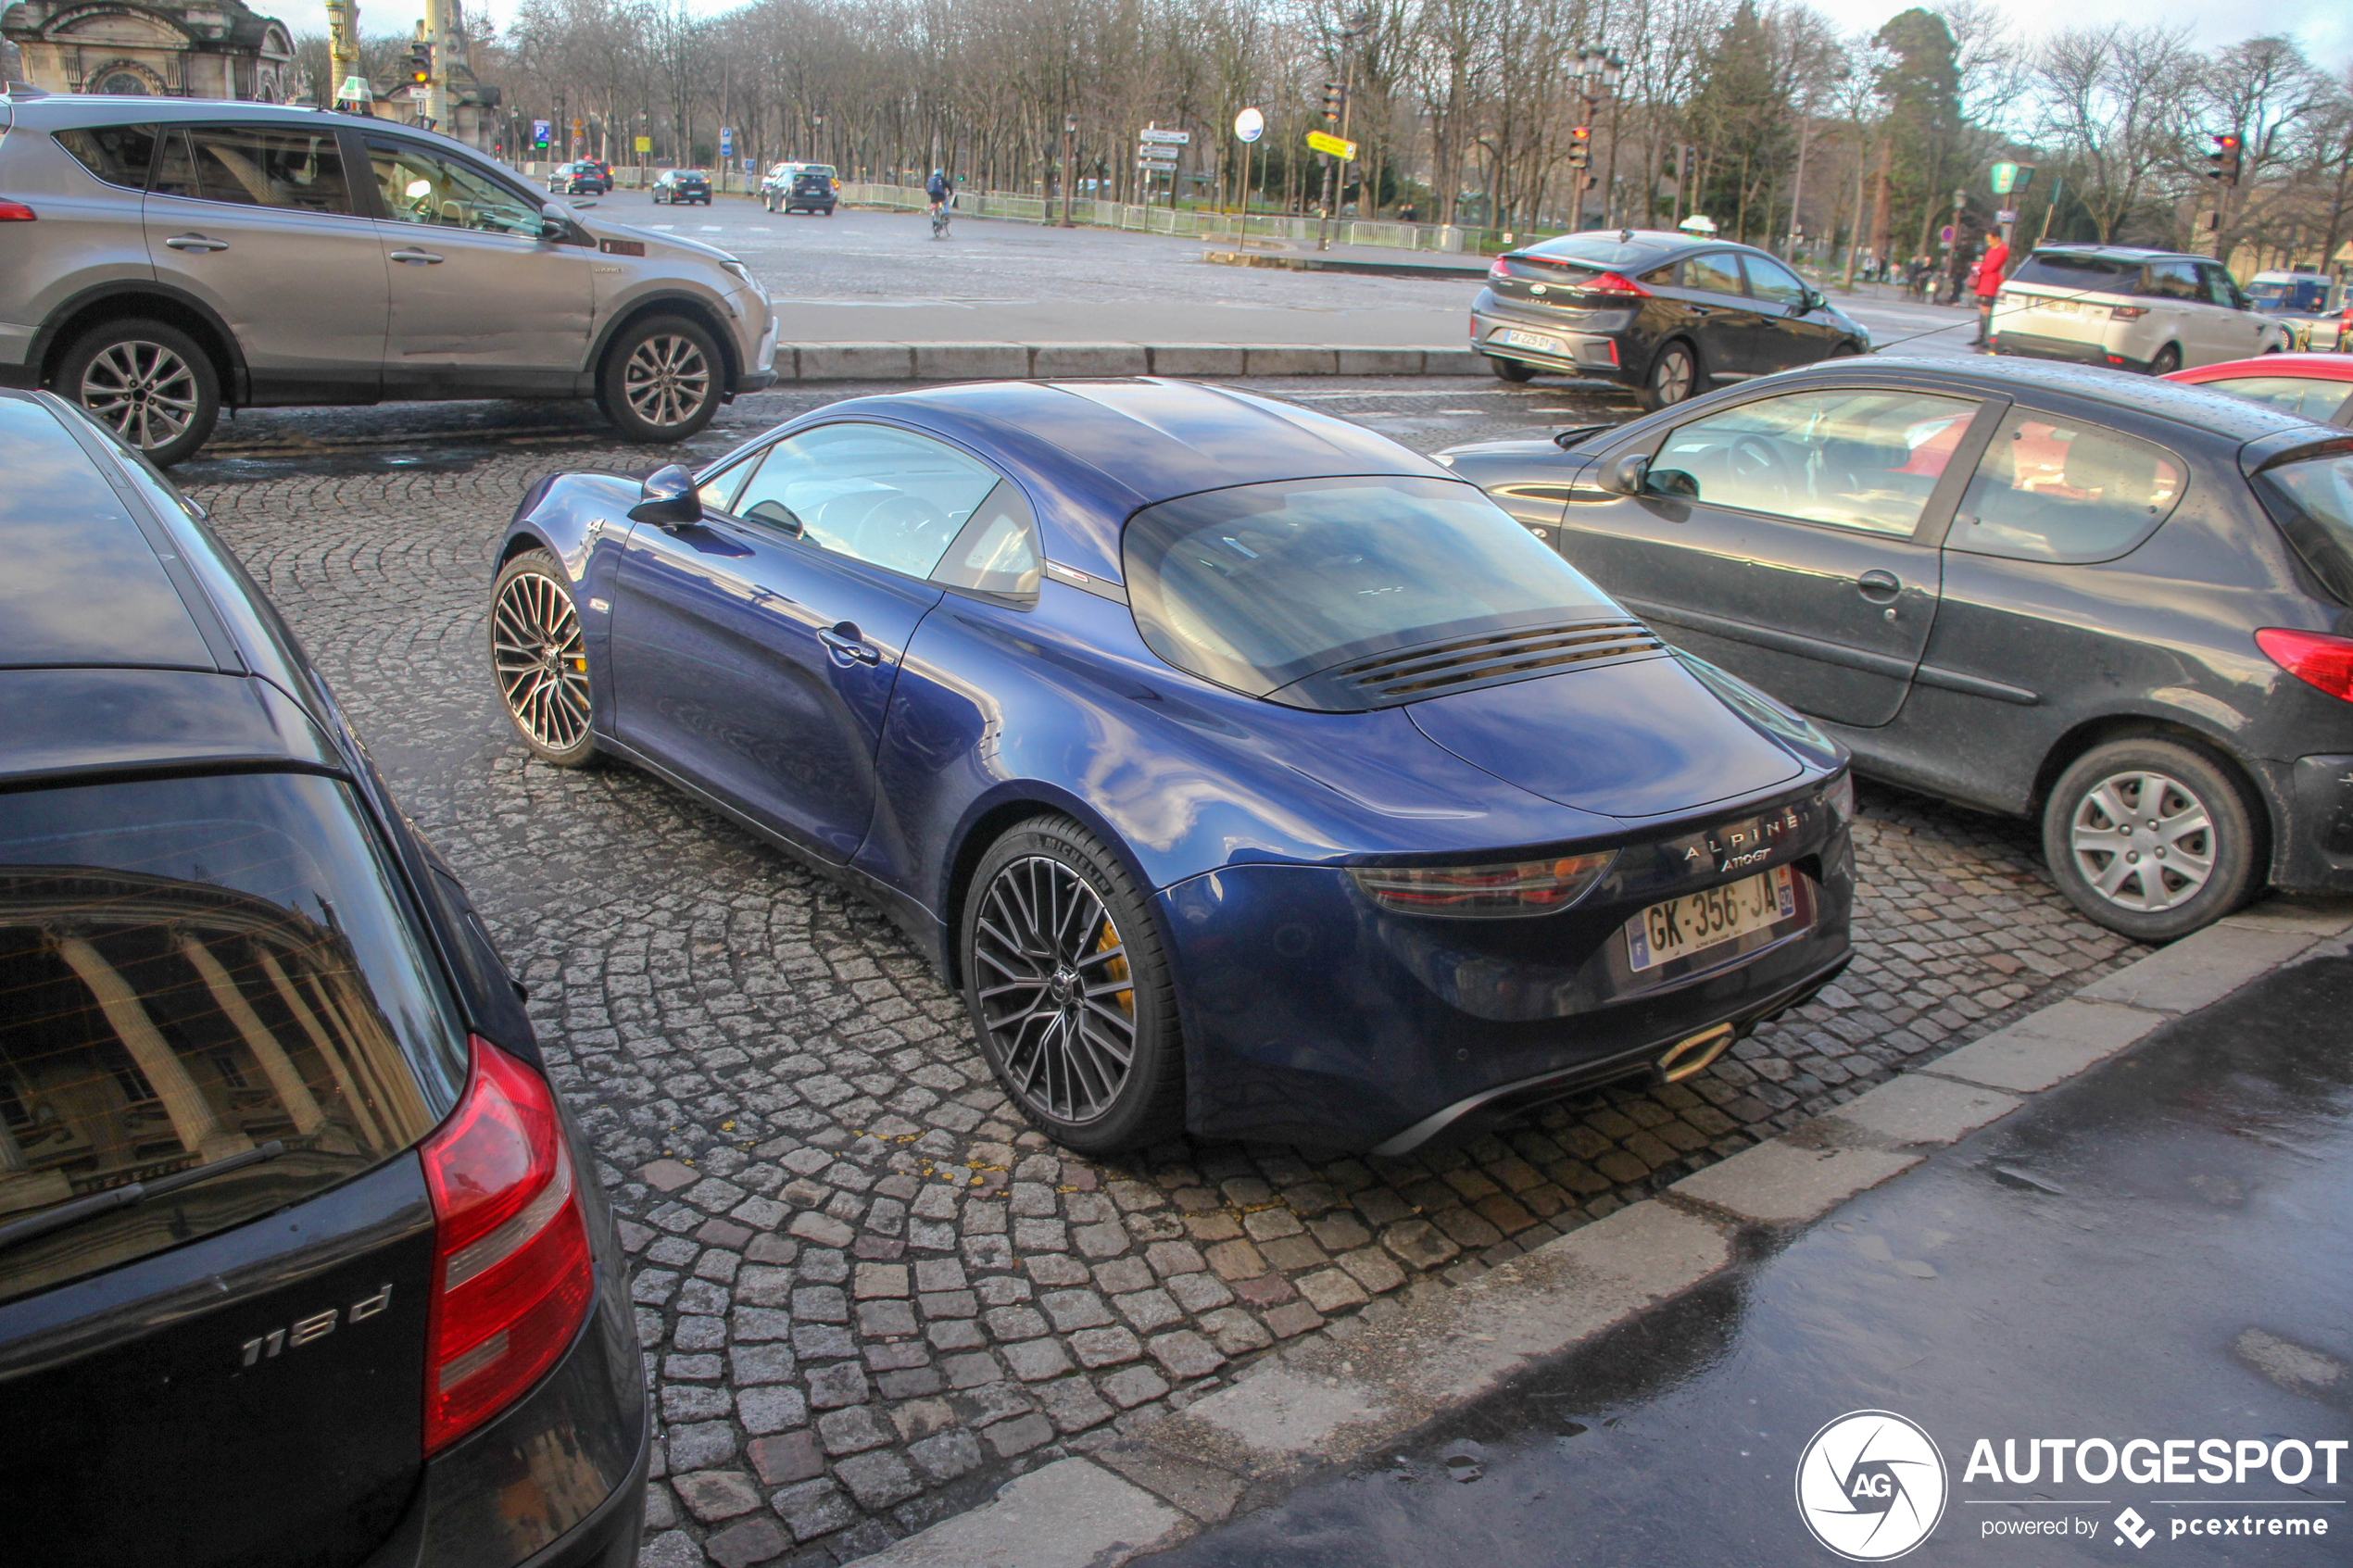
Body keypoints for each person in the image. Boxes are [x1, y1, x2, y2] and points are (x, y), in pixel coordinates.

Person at [1969, 230, 2009, 348]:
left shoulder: (2002, 250)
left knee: (1987, 310)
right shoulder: (1992, 249)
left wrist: (1980, 267)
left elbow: (1993, 266)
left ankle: (1987, 337)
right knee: (1982, 309)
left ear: (1997, 238)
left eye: (1990, 239)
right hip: (1985, 281)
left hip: (1991, 282)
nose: (1989, 242)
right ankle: (1980, 336)